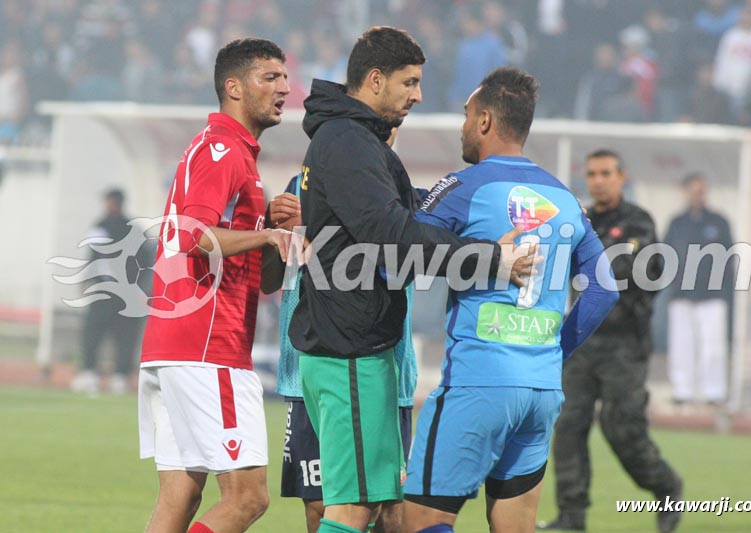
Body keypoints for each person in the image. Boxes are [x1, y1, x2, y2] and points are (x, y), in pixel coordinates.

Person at [284, 26, 538, 533]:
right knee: (353, 508)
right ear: (376, 80)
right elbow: (392, 233)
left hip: (355, 345)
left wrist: (483, 207)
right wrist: (490, 258)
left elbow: (408, 207)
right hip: (347, 349)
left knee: (381, 506)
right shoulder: (348, 141)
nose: (418, 95)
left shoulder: (355, 140)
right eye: (410, 82)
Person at [402, 68, 618, 533]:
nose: (462, 126)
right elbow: (604, 288)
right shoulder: (564, 196)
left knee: (419, 521)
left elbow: (400, 256)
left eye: (466, 115)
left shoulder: (464, 187)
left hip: (478, 382)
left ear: (484, 121)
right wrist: (555, 349)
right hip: (541, 390)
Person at [137, 38, 301, 533]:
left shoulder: (232, 154)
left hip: (175, 345)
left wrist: (275, 232)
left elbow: (263, 276)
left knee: (181, 495)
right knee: (247, 497)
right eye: (269, 77)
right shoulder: (223, 150)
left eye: (284, 77)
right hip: (209, 346)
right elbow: (192, 236)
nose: (284, 87)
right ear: (234, 87)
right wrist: (265, 233)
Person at [263, 171, 417, 533]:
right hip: (307, 373)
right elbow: (269, 279)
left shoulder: (395, 187)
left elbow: (403, 263)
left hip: (382, 371)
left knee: (388, 510)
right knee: (319, 506)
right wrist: (273, 230)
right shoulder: (296, 188)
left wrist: (321, 227)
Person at [539, 149, 683, 533]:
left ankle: (666, 486)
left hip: (625, 344)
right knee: (568, 426)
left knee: (621, 428)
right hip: (582, 339)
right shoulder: (580, 219)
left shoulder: (638, 221)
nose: (598, 181)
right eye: (592, 174)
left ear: (622, 177)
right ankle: (571, 516)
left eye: (606, 173)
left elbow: (622, 268)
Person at [663, 173, 733, 405]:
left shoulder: (718, 222)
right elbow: (666, 254)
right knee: (681, 344)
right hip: (681, 294)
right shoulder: (677, 223)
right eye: (693, 191)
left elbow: (728, 257)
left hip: (712, 294)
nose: (697, 195)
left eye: (701, 191)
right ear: (685, 193)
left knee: (713, 346)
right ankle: (682, 391)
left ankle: (714, 392)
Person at [71, 188, 147, 395]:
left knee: (118, 334)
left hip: (117, 291)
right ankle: (96, 373)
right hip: (111, 291)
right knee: (101, 333)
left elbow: (140, 261)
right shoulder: (110, 226)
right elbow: (95, 256)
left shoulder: (121, 227)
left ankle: (114, 375)